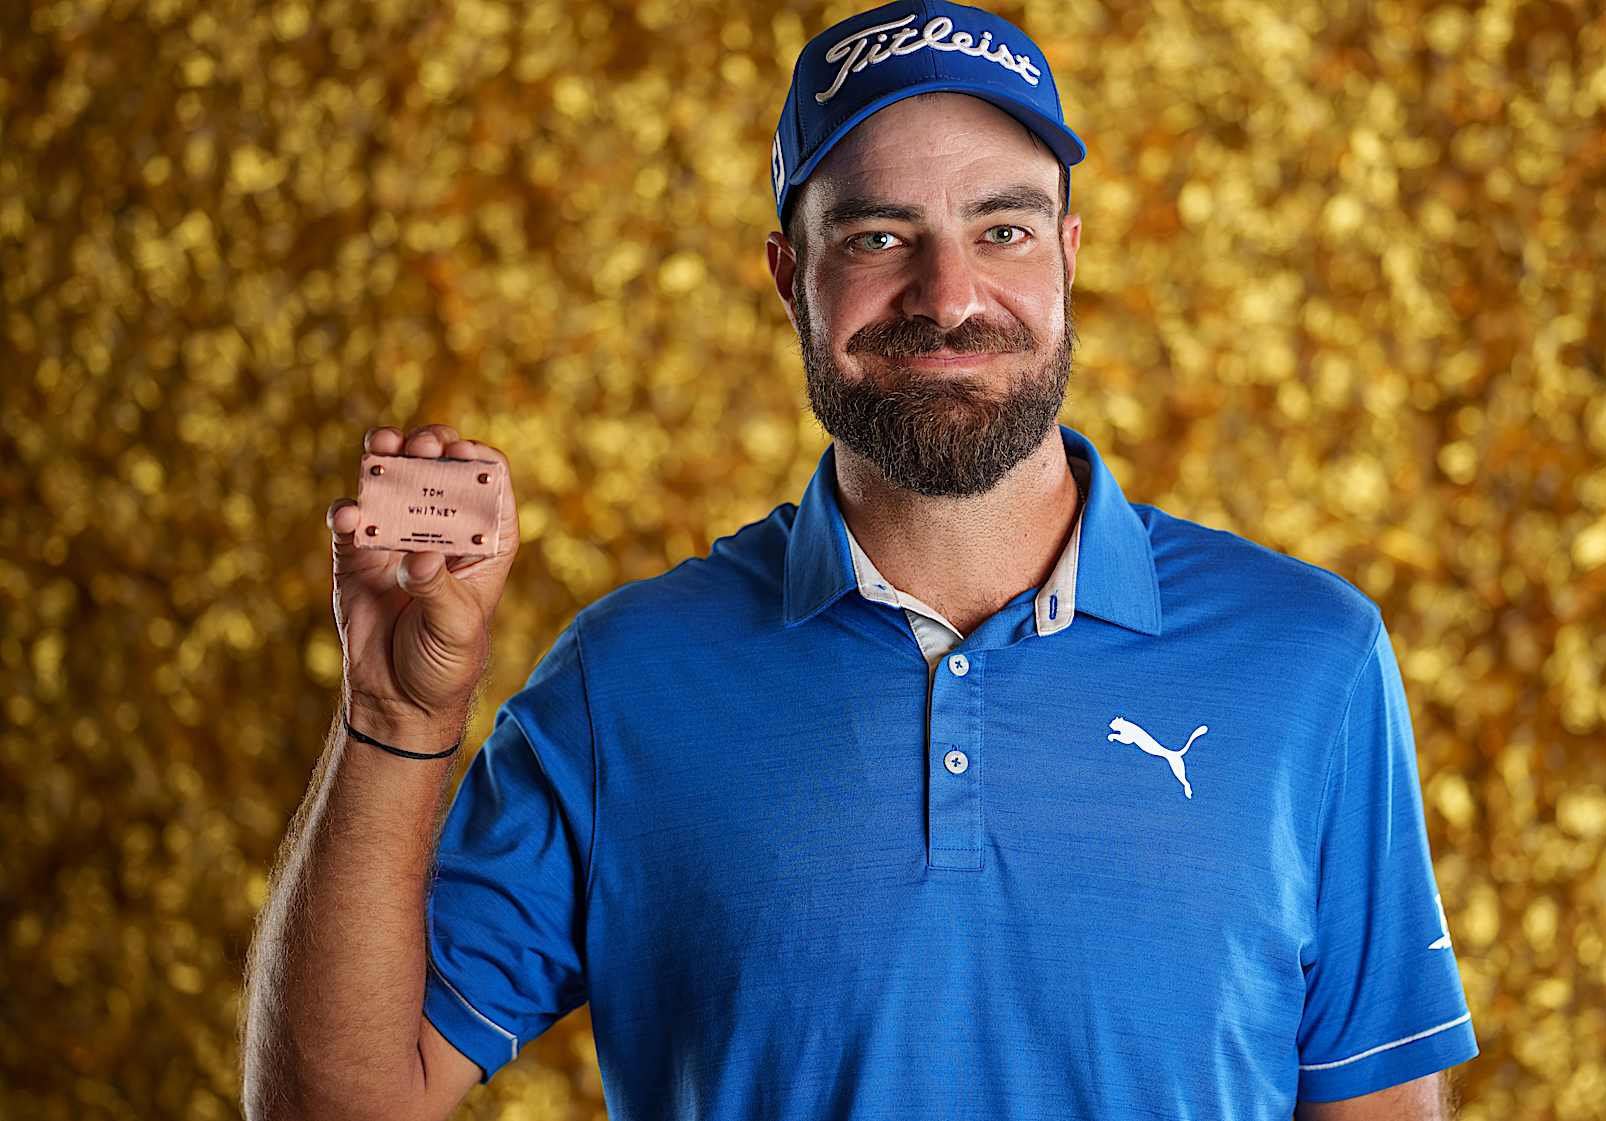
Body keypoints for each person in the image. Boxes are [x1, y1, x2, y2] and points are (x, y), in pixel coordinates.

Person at [241, 2, 1478, 1119]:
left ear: (1069, 254)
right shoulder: (626, 682)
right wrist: (394, 715)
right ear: (791, 277)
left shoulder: (1310, 659)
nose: (950, 294)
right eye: (880, 236)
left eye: (1003, 226)